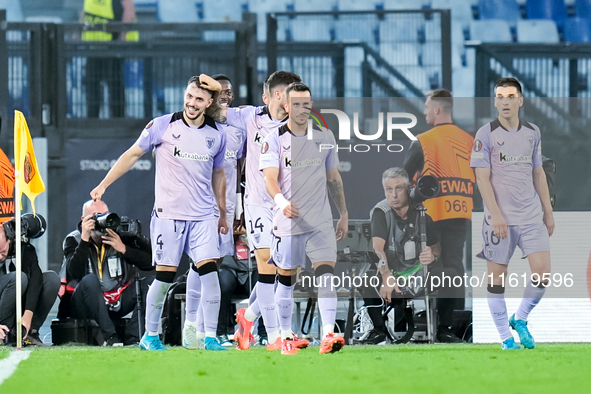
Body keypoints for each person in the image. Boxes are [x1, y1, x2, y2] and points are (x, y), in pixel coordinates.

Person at [90, 74, 229, 351]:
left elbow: (219, 175)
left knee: (209, 272)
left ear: (208, 102)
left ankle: (210, 337)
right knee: (164, 277)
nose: (191, 103)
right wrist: (103, 184)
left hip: (203, 216)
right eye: (189, 96)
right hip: (169, 215)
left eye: (199, 99)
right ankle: (150, 337)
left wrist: (222, 212)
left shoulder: (217, 134)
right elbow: (131, 155)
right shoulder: (162, 125)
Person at [260, 83, 349, 354]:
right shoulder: (273, 137)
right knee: (286, 278)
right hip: (288, 219)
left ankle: (328, 334)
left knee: (326, 273)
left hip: (320, 219)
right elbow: (269, 179)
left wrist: (343, 213)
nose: (302, 109)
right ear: (286, 106)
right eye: (296, 104)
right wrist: (281, 202)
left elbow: (334, 178)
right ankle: (286, 336)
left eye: (306, 104)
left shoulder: (324, 136)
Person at [470, 78, 554, 350]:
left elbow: (538, 173)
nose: (505, 101)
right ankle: (506, 339)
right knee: (497, 282)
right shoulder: (485, 134)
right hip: (499, 220)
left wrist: (548, 211)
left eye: (510, 96)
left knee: (542, 274)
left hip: (531, 216)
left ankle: (521, 319)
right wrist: (495, 215)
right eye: (499, 96)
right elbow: (482, 179)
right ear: (495, 101)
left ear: (520, 100)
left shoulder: (532, 131)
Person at [225, 71, 302, 351]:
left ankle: (248, 316)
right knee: (268, 266)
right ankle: (276, 337)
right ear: (268, 96)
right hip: (258, 203)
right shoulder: (249, 116)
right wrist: (208, 84)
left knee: (287, 273)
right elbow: (215, 108)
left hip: (289, 207)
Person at [403, 89, 475, 343]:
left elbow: (402, 178)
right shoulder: (469, 141)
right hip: (461, 211)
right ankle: (452, 327)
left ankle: (430, 321)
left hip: (430, 216)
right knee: (455, 267)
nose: (424, 111)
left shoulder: (423, 140)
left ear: (437, 109)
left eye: (426, 107)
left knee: (434, 266)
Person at [361, 167, 441, 344]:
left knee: (449, 273)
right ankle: (378, 330)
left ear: (409, 189)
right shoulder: (380, 212)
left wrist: (432, 255)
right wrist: (387, 276)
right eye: (389, 189)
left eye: (398, 189)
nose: (394, 195)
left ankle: (443, 331)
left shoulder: (422, 213)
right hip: (390, 272)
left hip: (416, 274)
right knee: (365, 279)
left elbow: (437, 248)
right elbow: (377, 249)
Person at [61, 200, 152, 345]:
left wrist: (124, 249)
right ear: (84, 220)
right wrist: (85, 239)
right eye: (95, 216)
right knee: (89, 280)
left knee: (149, 284)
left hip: (117, 299)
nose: (100, 221)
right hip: (85, 302)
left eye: (104, 215)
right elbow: (75, 273)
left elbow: (150, 264)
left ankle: (134, 338)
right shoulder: (74, 239)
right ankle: (111, 338)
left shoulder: (119, 235)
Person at [0, 223, 60, 346]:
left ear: (9, 240)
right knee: (19, 278)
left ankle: (29, 333)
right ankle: (3, 333)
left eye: (2, 252)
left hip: (19, 307)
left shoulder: (25, 249)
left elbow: (36, 280)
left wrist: (28, 315)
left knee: (51, 279)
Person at [81, 0, 138, 118]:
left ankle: (117, 120)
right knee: (92, 87)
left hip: (112, 47)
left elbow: (129, 9)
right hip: (93, 48)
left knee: (115, 86)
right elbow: (86, 13)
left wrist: (123, 35)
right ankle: (92, 120)